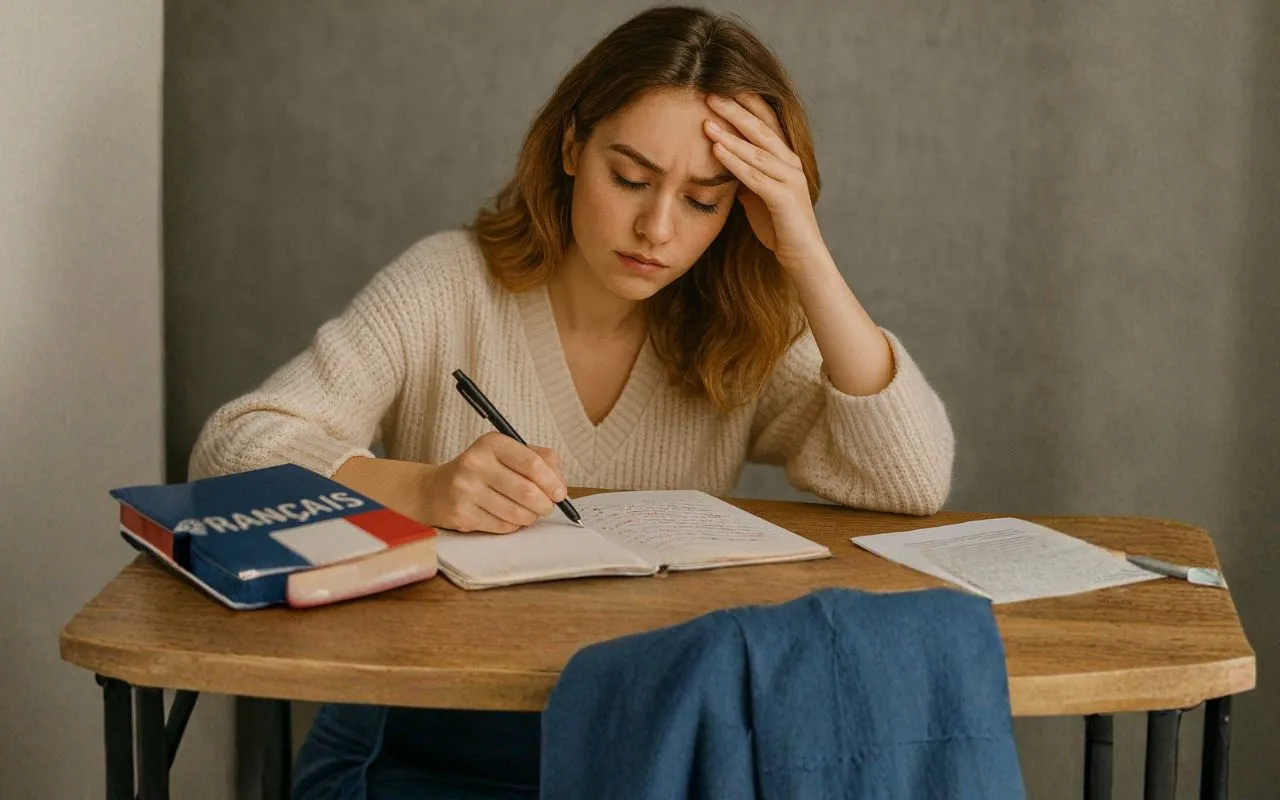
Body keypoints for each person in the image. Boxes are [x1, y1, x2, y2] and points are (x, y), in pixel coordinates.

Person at [189, 5, 955, 797]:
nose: (656, 227)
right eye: (629, 177)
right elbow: (231, 451)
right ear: (569, 148)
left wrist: (805, 252)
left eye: (703, 200)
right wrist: (418, 489)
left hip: (642, 738)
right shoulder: (448, 286)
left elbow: (910, 479)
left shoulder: (735, 325)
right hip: (419, 733)